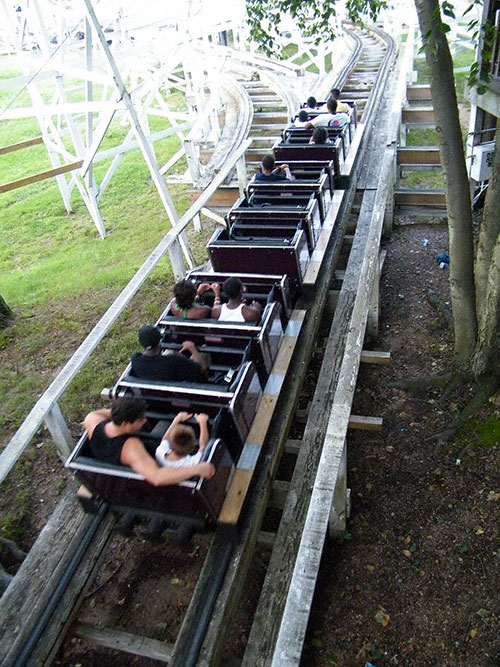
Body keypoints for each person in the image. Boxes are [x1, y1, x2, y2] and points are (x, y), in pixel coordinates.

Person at [84, 397, 215, 484]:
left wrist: (124, 411)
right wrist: (197, 469)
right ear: (125, 423)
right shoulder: (131, 447)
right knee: (164, 423)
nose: (145, 420)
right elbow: (156, 477)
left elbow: (110, 414)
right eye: (140, 419)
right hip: (153, 468)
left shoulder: (92, 421)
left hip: (121, 464)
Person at [130, 324, 206, 383]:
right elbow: (202, 368)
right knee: (203, 353)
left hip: (159, 394)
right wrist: (192, 348)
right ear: (159, 340)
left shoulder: (136, 360)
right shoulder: (174, 360)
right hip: (180, 392)